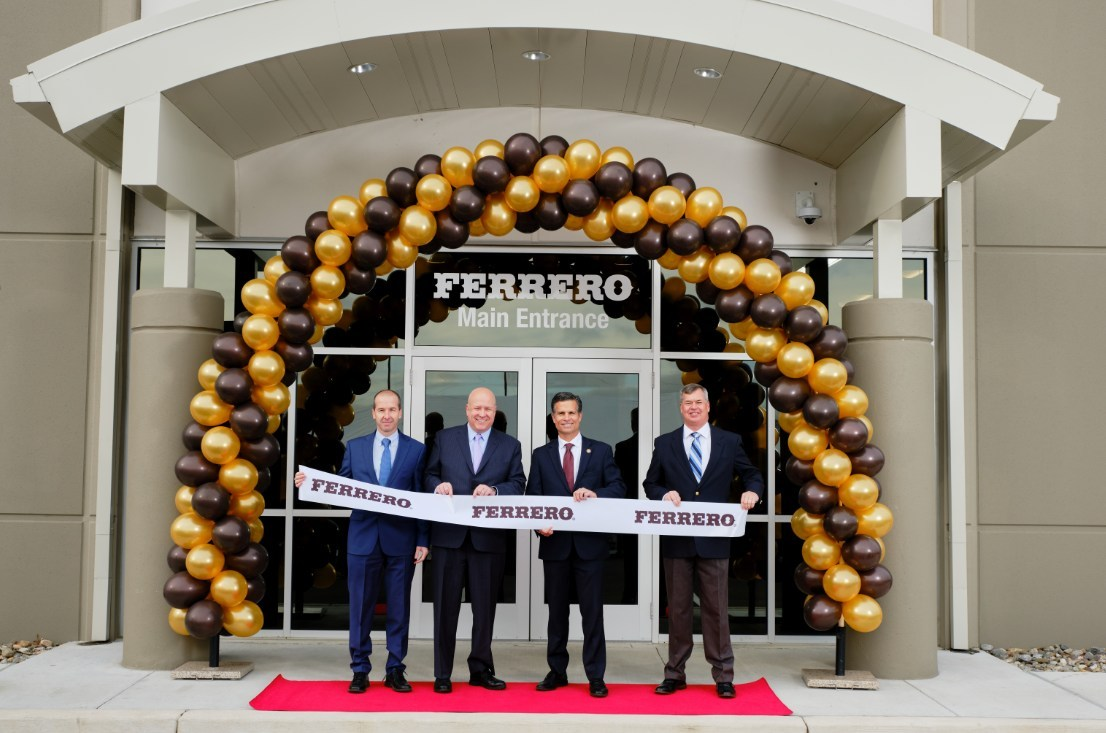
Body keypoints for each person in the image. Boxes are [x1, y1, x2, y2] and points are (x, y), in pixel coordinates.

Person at [292, 389, 427, 694]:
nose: (387, 415)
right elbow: (342, 488)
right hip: (363, 538)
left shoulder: (416, 451)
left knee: (399, 608)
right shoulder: (355, 447)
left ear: (400, 413)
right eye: (381, 410)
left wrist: (423, 539)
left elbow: (421, 498)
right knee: (360, 607)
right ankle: (360, 669)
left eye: (392, 410)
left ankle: (395, 668)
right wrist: (312, 483)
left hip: (401, 540)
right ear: (373, 413)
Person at [643, 384, 764, 699]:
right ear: (680, 408)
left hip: (715, 540)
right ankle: (674, 673)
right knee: (678, 610)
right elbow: (650, 483)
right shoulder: (665, 443)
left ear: (708, 407)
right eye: (687, 403)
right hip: (677, 540)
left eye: (698, 402)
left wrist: (752, 492)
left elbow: (752, 475)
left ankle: (723, 676)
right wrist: (663, 494)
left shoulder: (729, 441)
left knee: (716, 609)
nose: (693, 407)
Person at [424, 386, 526, 693]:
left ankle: (480, 669)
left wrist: (495, 491)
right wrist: (437, 486)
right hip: (449, 539)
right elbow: (428, 475)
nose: (482, 414)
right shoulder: (444, 439)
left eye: (488, 409)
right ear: (467, 409)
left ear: (495, 412)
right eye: (477, 408)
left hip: (488, 540)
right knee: (445, 609)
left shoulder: (510, 445)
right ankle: (442, 673)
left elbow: (518, 483)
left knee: (484, 610)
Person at [526, 392, 626, 698]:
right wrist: (537, 524)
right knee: (557, 614)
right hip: (555, 546)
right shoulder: (541, 455)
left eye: (571, 413)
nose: (566, 418)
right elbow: (532, 498)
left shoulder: (601, 451)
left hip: (590, 548)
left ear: (580, 416)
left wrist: (597, 495)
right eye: (560, 413)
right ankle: (557, 671)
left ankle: (595, 675)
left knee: (592, 614)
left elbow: (618, 487)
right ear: (553, 418)